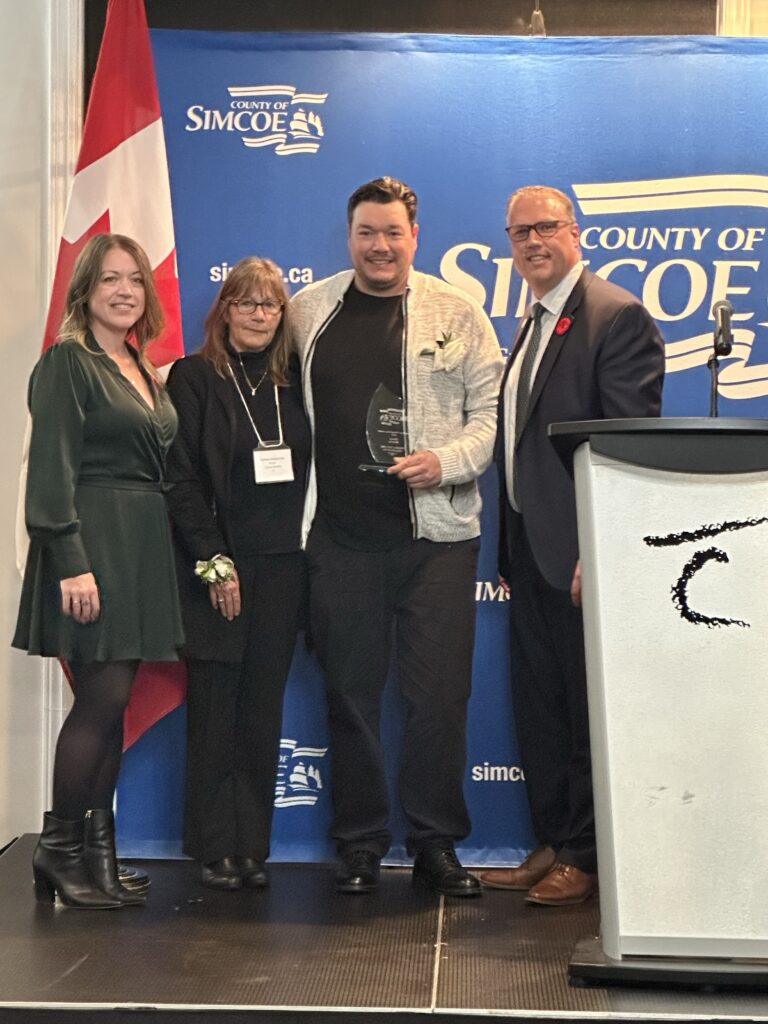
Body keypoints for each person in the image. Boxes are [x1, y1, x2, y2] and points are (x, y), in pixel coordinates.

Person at [291, 176, 504, 896]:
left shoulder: (459, 311)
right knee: (350, 695)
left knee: (438, 697)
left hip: (437, 543)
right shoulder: (306, 310)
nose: (379, 246)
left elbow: (491, 417)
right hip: (340, 541)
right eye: (366, 233)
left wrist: (445, 462)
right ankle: (358, 842)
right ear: (348, 236)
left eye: (392, 233)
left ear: (416, 237)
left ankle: (436, 844)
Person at [477, 185, 665, 905]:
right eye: (518, 231)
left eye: (545, 227)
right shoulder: (531, 321)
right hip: (529, 552)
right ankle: (554, 840)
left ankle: (585, 856)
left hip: (585, 558)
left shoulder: (615, 317)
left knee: (587, 710)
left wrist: (602, 547)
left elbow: (626, 448)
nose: (531, 242)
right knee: (543, 707)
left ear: (576, 233)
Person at [13, 233, 184, 909]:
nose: (124, 291)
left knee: (111, 709)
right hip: (91, 544)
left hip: (141, 545)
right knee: (101, 700)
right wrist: (71, 561)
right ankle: (57, 852)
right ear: (85, 289)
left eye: (135, 280)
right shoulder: (68, 362)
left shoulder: (140, 365)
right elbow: (50, 471)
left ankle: (97, 857)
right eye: (110, 279)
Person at [165, 257, 310, 891]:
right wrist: (213, 560)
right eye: (246, 302)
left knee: (260, 709)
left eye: (271, 305)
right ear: (223, 310)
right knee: (217, 707)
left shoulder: (295, 380)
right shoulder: (194, 378)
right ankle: (211, 845)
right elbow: (182, 481)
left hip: (284, 568)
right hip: (218, 567)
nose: (259, 314)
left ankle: (252, 845)